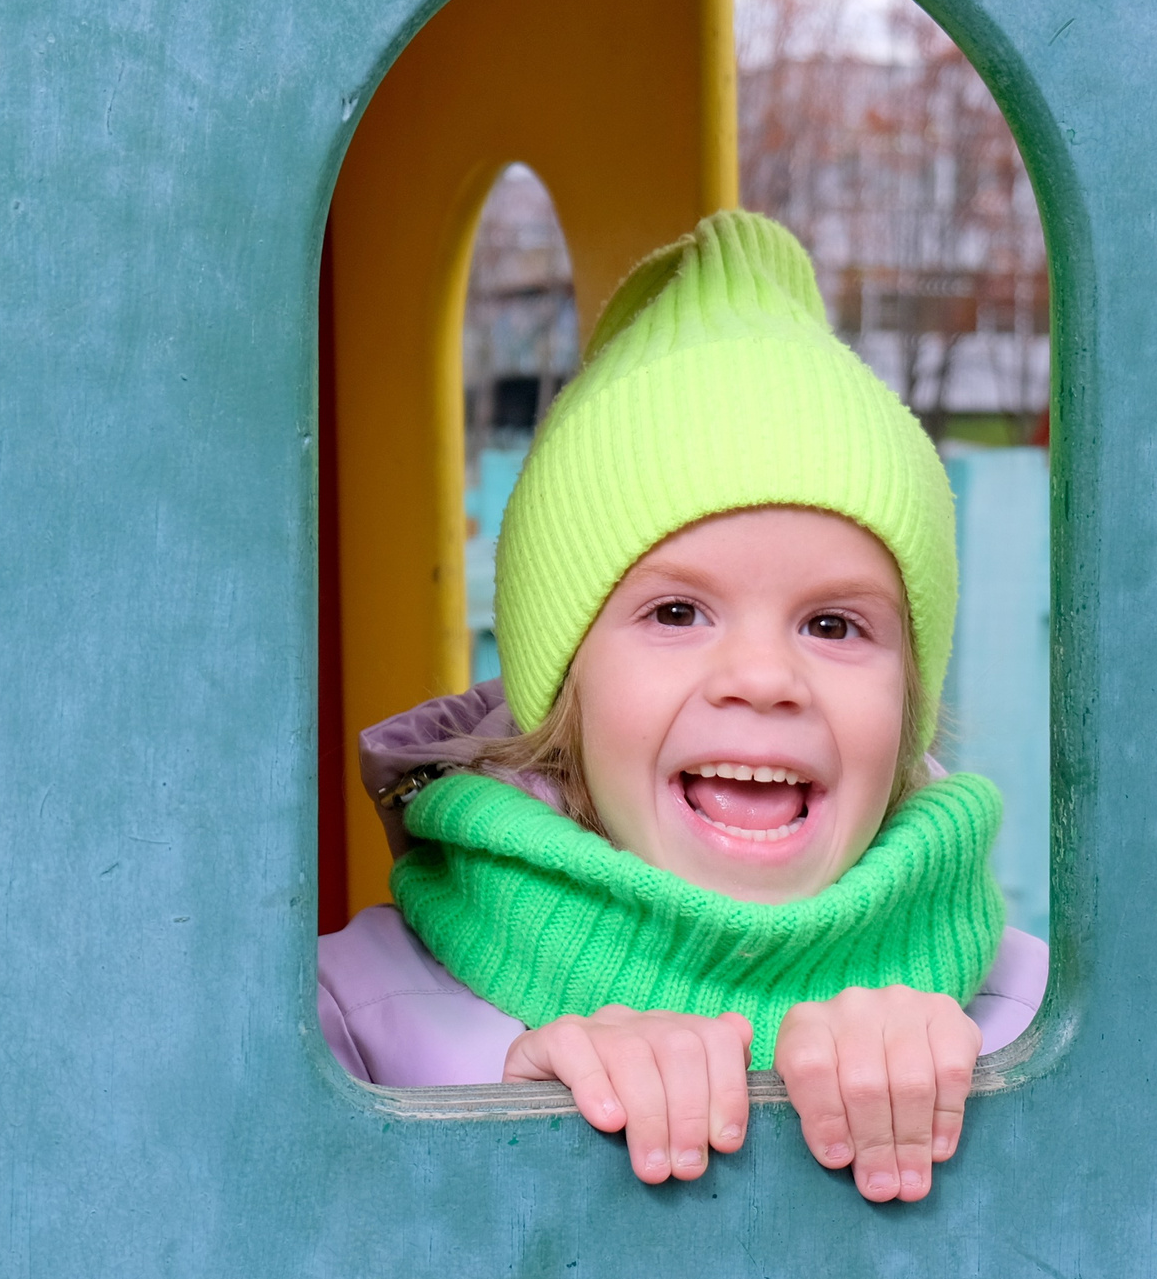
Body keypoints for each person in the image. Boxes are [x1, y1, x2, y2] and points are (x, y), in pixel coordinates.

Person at [318, 210, 1048, 1203]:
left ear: (909, 705)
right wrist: (504, 1154)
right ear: (562, 694)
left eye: (833, 624)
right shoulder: (343, 1026)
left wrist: (976, 1102)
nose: (764, 676)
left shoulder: (1036, 1026)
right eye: (675, 612)